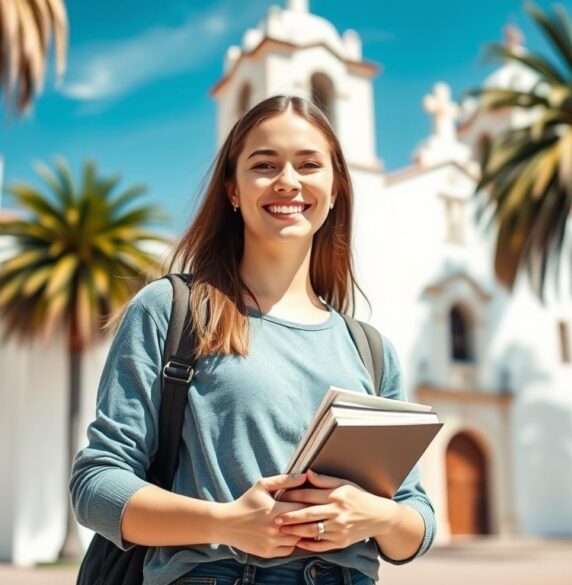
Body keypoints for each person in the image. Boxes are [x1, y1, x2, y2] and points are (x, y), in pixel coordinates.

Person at [70, 95, 436, 585]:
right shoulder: (171, 310)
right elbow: (96, 486)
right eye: (264, 165)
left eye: (309, 164)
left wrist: (377, 517)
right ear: (233, 191)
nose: (288, 180)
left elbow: (414, 516)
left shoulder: (371, 351)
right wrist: (227, 524)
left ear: (334, 191)